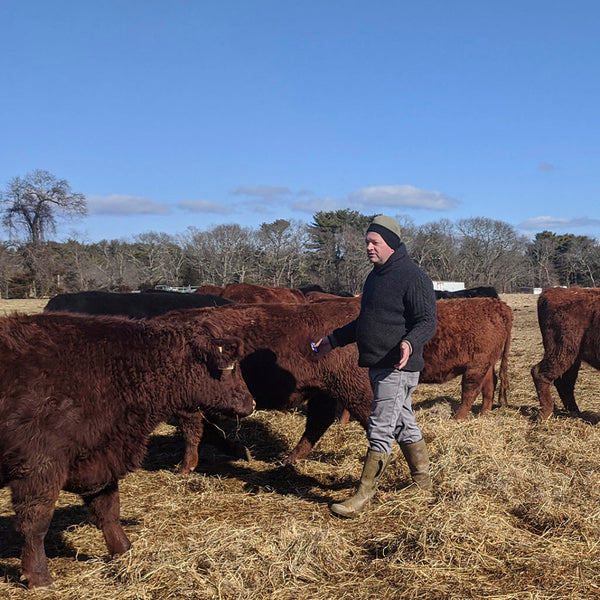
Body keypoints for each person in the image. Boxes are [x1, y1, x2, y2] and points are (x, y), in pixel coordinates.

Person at [313, 214, 437, 518]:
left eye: (374, 242)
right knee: (402, 422)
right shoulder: (375, 276)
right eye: (367, 242)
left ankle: (363, 496)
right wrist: (333, 339)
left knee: (380, 428)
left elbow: (427, 320)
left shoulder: (412, 276)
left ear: (391, 244)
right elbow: (366, 322)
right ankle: (423, 483)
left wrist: (409, 343)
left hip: (398, 366)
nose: (368, 247)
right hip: (377, 364)